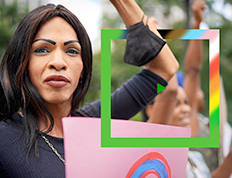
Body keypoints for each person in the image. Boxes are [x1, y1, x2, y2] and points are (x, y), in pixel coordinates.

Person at [0, 0, 179, 177]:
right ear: (22, 63)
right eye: (42, 50)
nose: (58, 63)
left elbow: (165, 68)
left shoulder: (97, 122)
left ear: (83, 69)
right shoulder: (4, 138)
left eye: (72, 51)